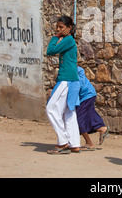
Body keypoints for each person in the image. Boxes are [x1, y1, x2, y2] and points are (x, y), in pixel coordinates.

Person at [46, 16, 81, 154]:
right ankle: (74, 143)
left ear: (69, 28)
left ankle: (63, 141)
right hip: (72, 80)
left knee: (51, 109)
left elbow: (50, 51)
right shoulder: (69, 40)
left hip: (66, 79)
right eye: (57, 27)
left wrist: (55, 37)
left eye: (61, 27)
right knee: (68, 112)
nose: (58, 30)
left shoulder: (68, 40)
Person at [75, 66, 109, 150]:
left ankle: (89, 143)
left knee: (79, 119)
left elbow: (80, 85)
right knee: (89, 116)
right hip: (86, 96)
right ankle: (102, 129)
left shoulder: (79, 70)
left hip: (87, 96)